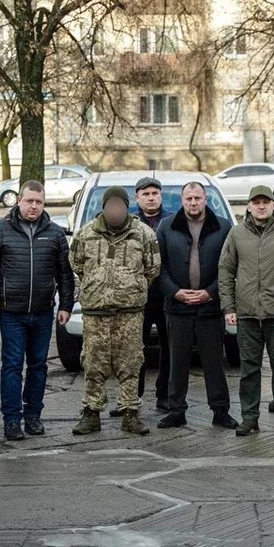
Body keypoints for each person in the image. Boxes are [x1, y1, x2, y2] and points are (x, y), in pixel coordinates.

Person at [0, 180, 75, 442]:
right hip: (12, 313)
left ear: (44, 204)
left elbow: (65, 274)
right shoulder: (0, 231)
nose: (34, 206)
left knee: (38, 366)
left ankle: (33, 416)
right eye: (29, 201)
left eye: (39, 202)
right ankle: (12, 419)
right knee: (11, 366)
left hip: (43, 313)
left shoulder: (54, 233)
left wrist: (66, 305)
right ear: (19, 200)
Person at [70, 186, 162, 436]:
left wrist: (129, 288)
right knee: (92, 364)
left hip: (130, 313)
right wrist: (98, 287)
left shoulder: (143, 234)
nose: (115, 210)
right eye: (110, 205)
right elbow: (77, 265)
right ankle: (91, 414)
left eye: (119, 205)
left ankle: (130, 414)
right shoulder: (85, 234)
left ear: (126, 206)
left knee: (131, 363)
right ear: (104, 207)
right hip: (95, 314)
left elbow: (152, 268)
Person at [220, 185, 274, 437]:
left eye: (266, 202)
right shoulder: (236, 234)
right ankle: (249, 417)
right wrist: (229, 306)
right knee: (248, 369)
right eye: (256, 202)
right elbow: (225, 271)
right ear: (248, 206)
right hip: (247, 314)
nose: (261, 206)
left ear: (273, 205)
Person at [155, 182, 238, 430]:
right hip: (177, 306)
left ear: (205, 199)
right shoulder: (166, 226)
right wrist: (176, 292)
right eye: (189, 198)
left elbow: (230, 267)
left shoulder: (223, 227)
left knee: (214, 361)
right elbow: (159, 267)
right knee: (176, 362)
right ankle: (176, 410)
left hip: (210, 306)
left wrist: (210, 293)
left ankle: (220, 410)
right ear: (182, 200)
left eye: (198, 198)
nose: (193, 203)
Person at [130, 176, 171, 413]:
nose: (151, 197)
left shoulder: (173, 220)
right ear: (137, 197)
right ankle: (132, 398)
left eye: (155, 193)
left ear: (161, 196)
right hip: (138, 298)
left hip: (166, 296)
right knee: (136, 349)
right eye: (145, 194)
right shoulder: (130, 222)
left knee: (169, 349)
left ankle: (164, 395)